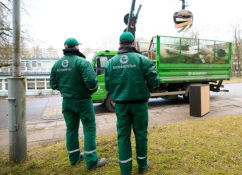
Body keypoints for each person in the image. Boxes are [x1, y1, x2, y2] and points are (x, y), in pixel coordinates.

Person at [104, 32, 160, 174]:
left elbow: (108, 86)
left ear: (119, 44)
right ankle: (142, 165)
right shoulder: (143, 60)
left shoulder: (110, 63)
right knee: (141, 134)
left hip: (121, 105)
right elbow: (155, 82)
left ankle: (125, 170)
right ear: (133, 43)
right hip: (139, 104)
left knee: (123, 136)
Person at [50, 38, 106, 170]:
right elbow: (92, 83)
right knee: (89, 128)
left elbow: (53, 84)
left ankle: (74, 159)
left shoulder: (57, 64)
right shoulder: (82, 62)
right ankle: (91, 162)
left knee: (71, 129)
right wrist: (90, 91)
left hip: (67, 102)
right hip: (83, 101)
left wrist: (65, 90)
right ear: (76, 47)